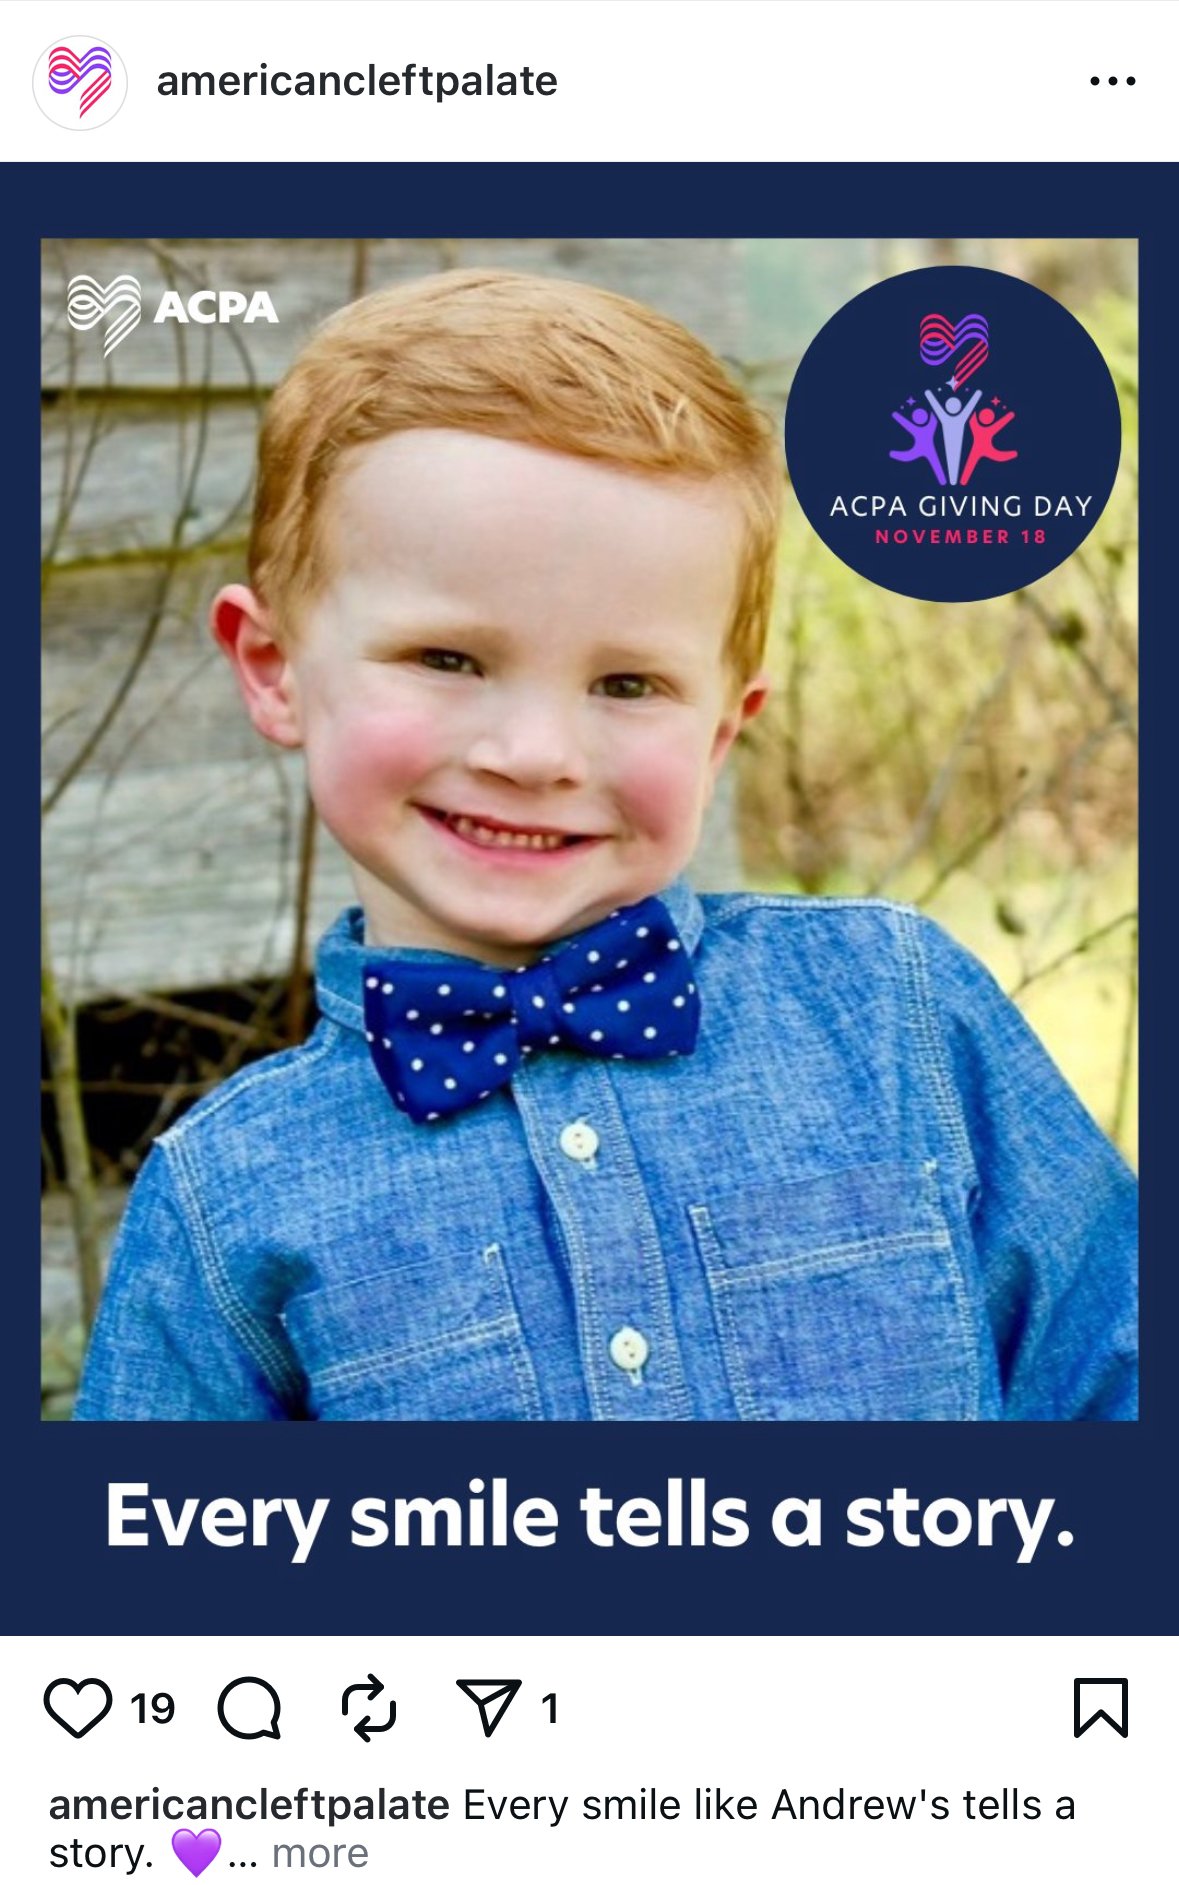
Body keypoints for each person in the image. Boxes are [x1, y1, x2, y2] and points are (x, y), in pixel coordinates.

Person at [73, 270, 1137, 1423]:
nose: (536, 752)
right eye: (447, 658)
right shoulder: (226, 1204)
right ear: (273, 668)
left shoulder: (896, 1015)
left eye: (628, 683)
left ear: (724, 725)